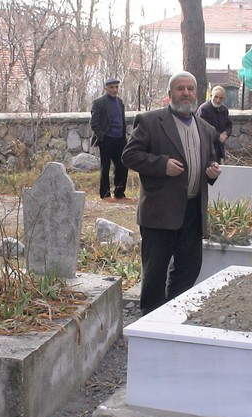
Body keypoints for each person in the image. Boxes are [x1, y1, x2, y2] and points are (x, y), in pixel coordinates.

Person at [122, 71, 222, 315]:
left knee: (189, 268)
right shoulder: (150, 121)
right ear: (170, 94)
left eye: (190, 89)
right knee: (155, 272)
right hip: (160, 211)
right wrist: (162, 165)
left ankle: (173, 315)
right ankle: (151, 319)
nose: (186, 93)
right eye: (180, 88)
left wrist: (212, 171)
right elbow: (129, 155)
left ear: (197, 93)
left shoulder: (206, 128)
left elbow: (210, 161)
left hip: (193, 212)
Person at [90, 77, 129, 200]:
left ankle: (119, 192)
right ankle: (105, 194)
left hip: (120, 139)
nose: (114, 90)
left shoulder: (119, 102)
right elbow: (94, 123)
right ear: (106, 88)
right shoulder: (99, 102)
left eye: (116, 87)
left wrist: (124, 137)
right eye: (112, 87)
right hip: (106, 139)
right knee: (105, 167)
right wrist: (102, 137)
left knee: (122, 166)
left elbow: (122, 120)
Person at [196, 85, 232, 162]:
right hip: (206, 148)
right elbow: (204, 128)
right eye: (216, 97)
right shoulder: (204, 109)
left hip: (219, 148)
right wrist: (219, 136)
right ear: (211, 96)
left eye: (221, 98)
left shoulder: (224, 110)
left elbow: (229, 125)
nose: (218, 100)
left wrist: (226, 133)